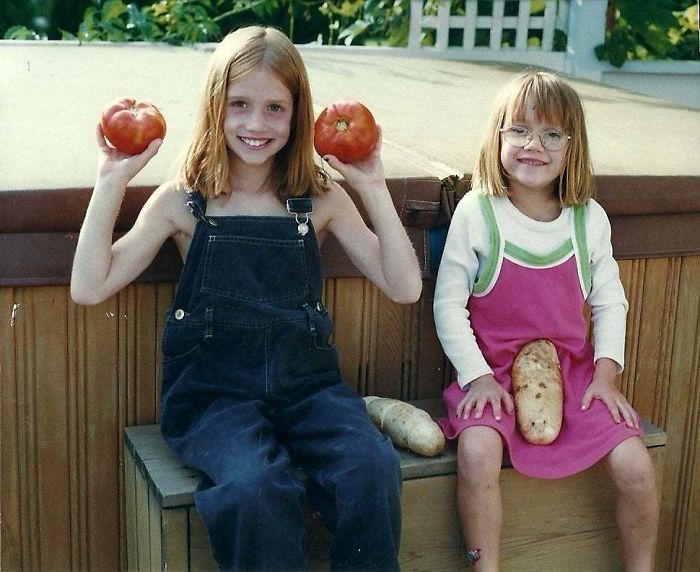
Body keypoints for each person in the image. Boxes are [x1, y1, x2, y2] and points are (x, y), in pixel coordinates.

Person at [71, 25, 422, 571]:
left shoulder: (320, 198)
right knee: (255, 487)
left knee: (370, 468)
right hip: (215, 399)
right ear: (215, 108)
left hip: (309, 390)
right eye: (239, 104)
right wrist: (111, 180)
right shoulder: (184, 201)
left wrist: (372, 185)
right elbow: (89, 286)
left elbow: (404, 286)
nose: (256, 124)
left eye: (275, 108)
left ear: (298, 114)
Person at [433, 70, 658, 571]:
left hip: (573, 375)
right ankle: (483, 564)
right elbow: (448, 305)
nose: (534, 145)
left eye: (552, 134)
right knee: (476, 453)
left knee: (636, 465)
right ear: (498, 138)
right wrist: (476, 378)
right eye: (519, 130)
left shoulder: (588, 219)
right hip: (488, 376)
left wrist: (606, 377)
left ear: (571, 147)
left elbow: (609, 303)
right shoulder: (479, 212)